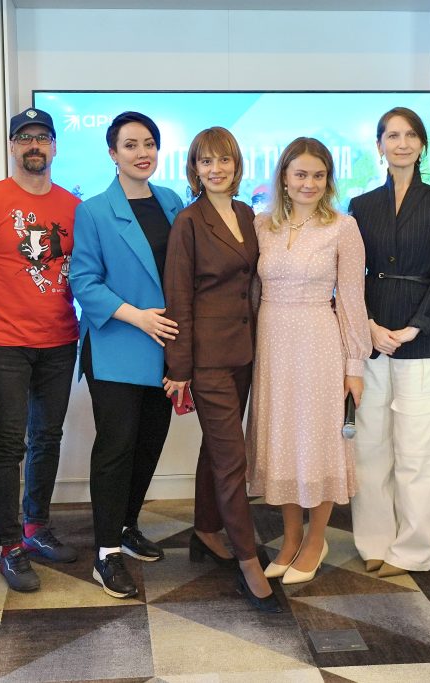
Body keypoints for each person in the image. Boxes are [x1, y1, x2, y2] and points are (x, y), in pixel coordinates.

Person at [0, 108, 80, 594]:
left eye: (42, 137)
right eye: (25, 138)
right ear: (11, 146)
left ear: (55, 147)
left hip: (60, 339)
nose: (34, 145)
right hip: (4, 343)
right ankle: (9, 545)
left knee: (48, 436)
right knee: (8, 443)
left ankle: (36, 527)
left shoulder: (73, 206)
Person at [162, 127, 279, 612]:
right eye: (206, 161)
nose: (216, 169)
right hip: (207, 358)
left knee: (217, 447)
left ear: (236, 165)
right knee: (233, 458)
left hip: (245, 352)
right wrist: (179, 368)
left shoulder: (248, 214)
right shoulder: (188, 221)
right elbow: (178, 296)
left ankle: (207, 530)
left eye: (224, 160)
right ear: (194, 168)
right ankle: (248, 560)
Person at [246, 137, 371, 587]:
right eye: (300, 174)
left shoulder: (343, 227)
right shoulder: (262, 225)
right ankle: (290, 538)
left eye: (319, 175)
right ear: (284, 177)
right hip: (271, 345)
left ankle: (316, 540)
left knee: (318, 442)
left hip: (319, 343)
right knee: (282, 439)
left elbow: (353, 300)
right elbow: (252, 293)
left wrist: (354, 365)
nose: (309, 183)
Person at [71, 111, 184, 599]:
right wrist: (138, 316)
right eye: (131, 145)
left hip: (164, 347)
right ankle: (105, 553)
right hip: (117, 343)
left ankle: (126, 525)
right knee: (116, 450)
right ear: (113, 153)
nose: (142, 153)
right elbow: (84, 281)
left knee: (149, 444)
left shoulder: (172, 201)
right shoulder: (94, 211)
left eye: (149, 144)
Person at [349, 107, 430, 578]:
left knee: (415, 453)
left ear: (422, 145)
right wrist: (369, 326)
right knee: (371, 449)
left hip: (422, 342)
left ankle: (412, 550)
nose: (402, 143)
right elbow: (349, 276)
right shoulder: (361, 205)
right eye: (392, 135)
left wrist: (416, 326)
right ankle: (374, 541)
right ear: (379, 145)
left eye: (411, 135)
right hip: (372, 339)